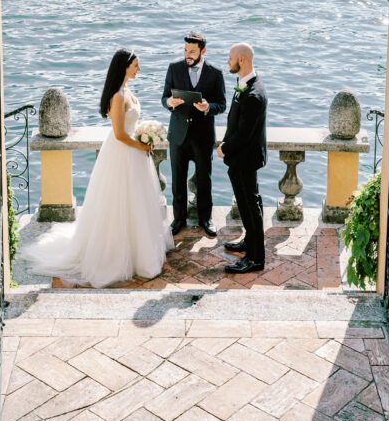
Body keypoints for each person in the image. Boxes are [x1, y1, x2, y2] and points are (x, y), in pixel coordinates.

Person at [25, 49, 172, 287]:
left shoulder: (128, 91)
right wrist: (141, 145)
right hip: (122, 153)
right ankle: (115, 256)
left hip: (135, 154)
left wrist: (145, 136)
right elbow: (119, 134)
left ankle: (138, 253)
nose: (139, 69)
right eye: (136, 65)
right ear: (124, 67)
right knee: (118, 205)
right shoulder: (117, 97)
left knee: (136, 204)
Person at [161, 31, 226, 237]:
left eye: (192, 51)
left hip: (203, 136)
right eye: (185, 50)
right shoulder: (174, 68)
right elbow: (164, 97)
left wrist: (208, 107)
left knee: (204, 180)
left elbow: (222, 105)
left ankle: (206, 219)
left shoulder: (215, 73)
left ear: (202, 51)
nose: (188, 54)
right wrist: (169, 103)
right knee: (177, 181)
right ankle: (178, 219)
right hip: (178, 135)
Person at [217, 42, 267, 273]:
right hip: (240, 159)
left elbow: (244, 134)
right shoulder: (246, 85)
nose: (228, 61)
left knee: (250, 206)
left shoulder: (254, 95)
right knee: (248, 205)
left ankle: (256, 258)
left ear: (242, 60)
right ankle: (249, 241)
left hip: (245, 159)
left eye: (231, 57)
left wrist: (224, 148)